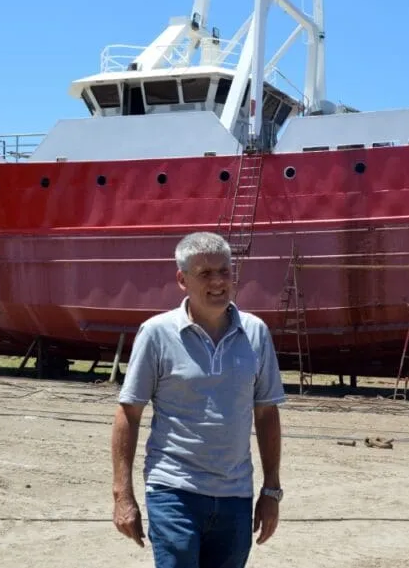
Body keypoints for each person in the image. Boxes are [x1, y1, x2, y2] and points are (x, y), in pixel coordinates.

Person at [111, 231, 286, 568]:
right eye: (205, 273)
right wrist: (123, 495)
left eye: (225, 271)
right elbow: (128, 413)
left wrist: (271, 491)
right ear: (182, 279)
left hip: (236, 496)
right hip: (173, 491)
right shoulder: (157, 333)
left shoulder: (255, 333)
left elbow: (266, 414)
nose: (218, 282)